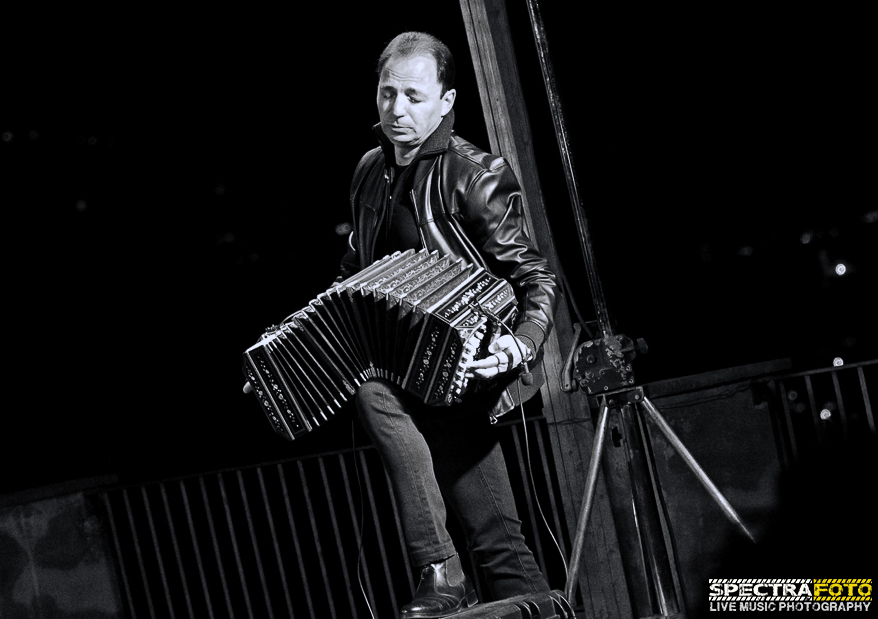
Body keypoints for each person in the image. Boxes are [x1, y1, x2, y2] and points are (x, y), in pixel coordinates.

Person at [339, 31, 558, 618]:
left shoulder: (476, 173)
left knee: (498, 546)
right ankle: (439, 568)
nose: (397, 109)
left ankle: (503, 594)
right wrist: (287, 359)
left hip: (466, 373)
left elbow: (536, 277)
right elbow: (352, 272)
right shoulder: (368, 171)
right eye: (388, 93)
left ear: (446, 101)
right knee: (372, 391)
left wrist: (520, 344)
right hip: (400, 371)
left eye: (414, 96)